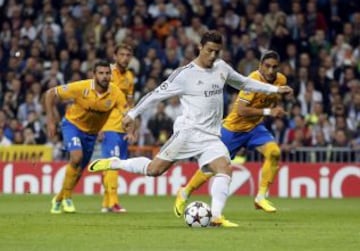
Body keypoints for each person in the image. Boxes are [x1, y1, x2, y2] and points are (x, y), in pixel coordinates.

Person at [87, 31, 292, 227]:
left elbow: (246, 83)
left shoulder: (222, 68)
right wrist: (131, 114)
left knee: (225, 169)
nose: (213, 55)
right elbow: (155, 95)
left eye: (216, 52)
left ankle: (217, 217)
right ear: (199, 47)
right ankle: (115, 163)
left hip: (211, 136)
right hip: (188, 133)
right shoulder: (185, 75)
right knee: (154, 170)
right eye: (209, 50)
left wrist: (275, 89)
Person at [173, 50, 287, 216]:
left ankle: (261, 197)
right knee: (212, 167)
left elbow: (268, 100)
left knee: (274, 152)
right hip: (232, 129)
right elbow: (240, 109)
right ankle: (185, 192)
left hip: (254, 128)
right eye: (267, 66)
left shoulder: (281, 80)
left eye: (274, 67)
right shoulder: (253, 80)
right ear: (260, 66)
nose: (270, 71)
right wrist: (270, 112)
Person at [45, 61, 128, 214]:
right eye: (101, 73)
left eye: (107, 73)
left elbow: (127, 113)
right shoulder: (81, 87)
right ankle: (68, 198)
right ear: (93, 75)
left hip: (91, 134)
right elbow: (50, 94)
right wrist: (50, 120)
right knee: (76, 158)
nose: (104, 76)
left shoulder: (115, 93)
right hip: (72, 126)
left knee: (79, 170)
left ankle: (58, 199)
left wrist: (131, 128)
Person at [100, 43, 135, 213]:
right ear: (115, 56)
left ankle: (106, 204)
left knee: (113, 166)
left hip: (122, 127)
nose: (125, 58)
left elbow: (130, 105)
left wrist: (131, 129)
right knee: (113, 164)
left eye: (128, 55)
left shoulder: (129, 77)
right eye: (121, 54)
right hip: (108, 126)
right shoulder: (106, 74)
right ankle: (113, 203)